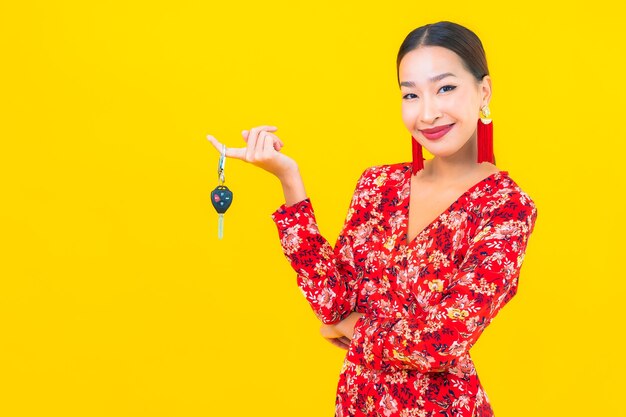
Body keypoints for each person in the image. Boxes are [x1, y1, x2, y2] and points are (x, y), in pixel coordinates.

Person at [207, 20, 538, 417]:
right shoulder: (379, 184)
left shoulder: (507, 207)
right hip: (357, 405)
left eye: (445, 88)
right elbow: (332, 301)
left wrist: (350, 329)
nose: (428, 112)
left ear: (483, 91)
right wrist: (288, 178)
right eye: (411, 95)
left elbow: (438, 345)